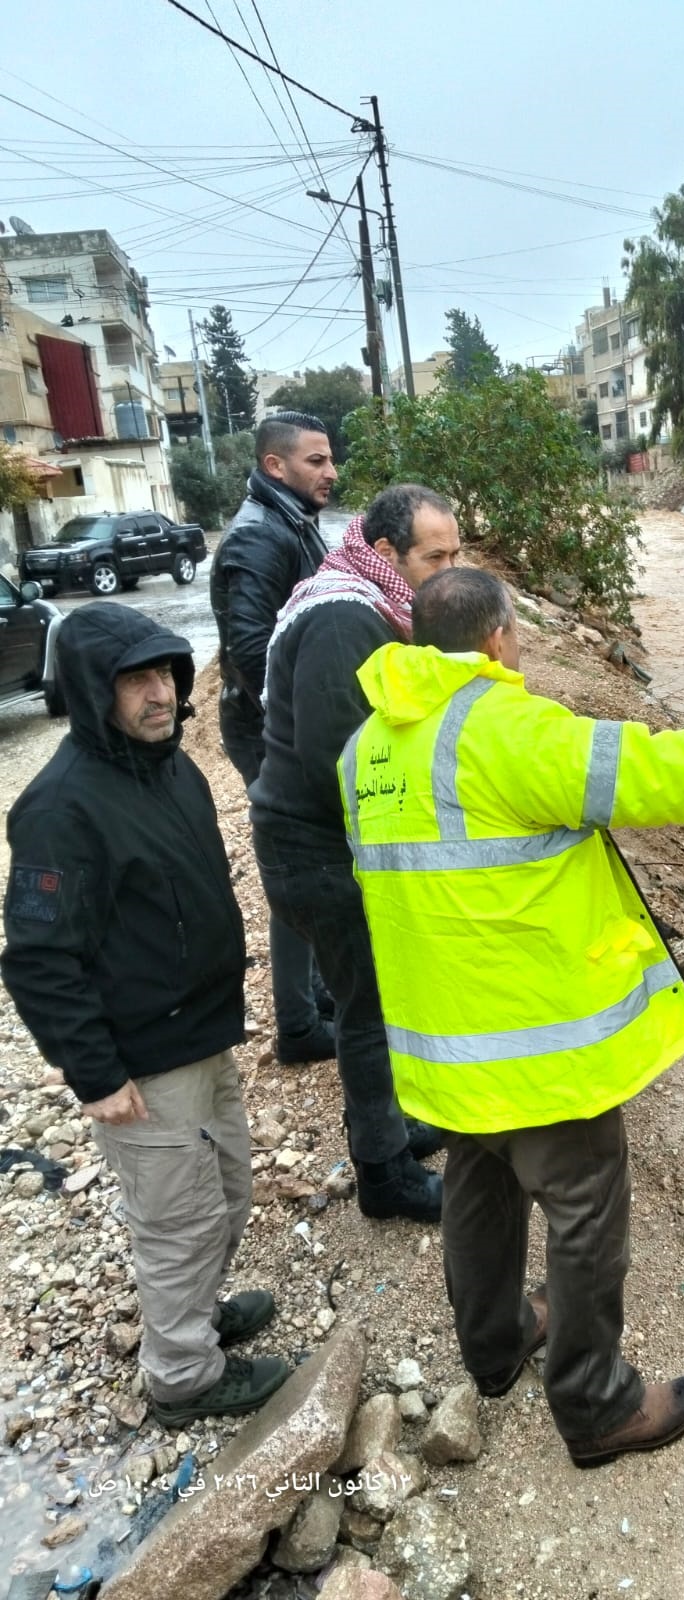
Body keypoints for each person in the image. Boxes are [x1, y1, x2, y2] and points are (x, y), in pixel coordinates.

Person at [338, 567, 684, 1468]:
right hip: (539, 1045)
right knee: (584, 1215)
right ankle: (597, 1405)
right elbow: (660, 774)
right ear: (501, 636)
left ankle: (499, 1345)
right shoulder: (507, 731)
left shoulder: (367, 749)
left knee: (480, 1194)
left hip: (446, 1042)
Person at [1, 605, 289, 1428]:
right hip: (141, 1060)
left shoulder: (170, 768)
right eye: (135, 679)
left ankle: (193, 1316)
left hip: (201, 1036)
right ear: (94, 690)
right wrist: (96, 1075)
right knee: (177, 1221)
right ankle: (182, 1376)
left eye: (164, 673)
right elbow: (39, 959)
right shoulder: (60, 808)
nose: (159, 694)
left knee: (229, 1194)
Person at [250, 484, 462, 1222]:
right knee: (369, 1008)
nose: (447, 569)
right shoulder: (346, 617)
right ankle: (384, 1174)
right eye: (434, 555)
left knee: (373, 1000)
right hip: (316, 848)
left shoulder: (367, 602)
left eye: (456, 553)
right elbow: (333, 760)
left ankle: (394, 1125)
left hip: (321, 841)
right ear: (385, 553)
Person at [210, 410, 336, 1066]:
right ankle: (298, 1023)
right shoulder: (260, 536)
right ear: (275, 466)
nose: (331, 471)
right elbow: (253, 647)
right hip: (270, 729)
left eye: (330, 458)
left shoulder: (288, 522)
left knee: (308, 856)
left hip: (279, 723)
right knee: (299, 861)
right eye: (316, 460)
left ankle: (316, 993)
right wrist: (300, 733)